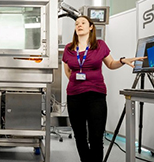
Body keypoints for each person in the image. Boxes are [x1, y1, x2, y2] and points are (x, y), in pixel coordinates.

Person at [62, 16, 146, 162]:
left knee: (96, 136)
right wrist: (80, 83)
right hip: (74, 96)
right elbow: (68, 71)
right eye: (76, 24)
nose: (79, 25)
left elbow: (111, 64)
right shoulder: (69, 49)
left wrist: (122, 61)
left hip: (96, 95)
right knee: (79, 136)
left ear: (91, 27)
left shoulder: (100, 45)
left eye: (83, 23)